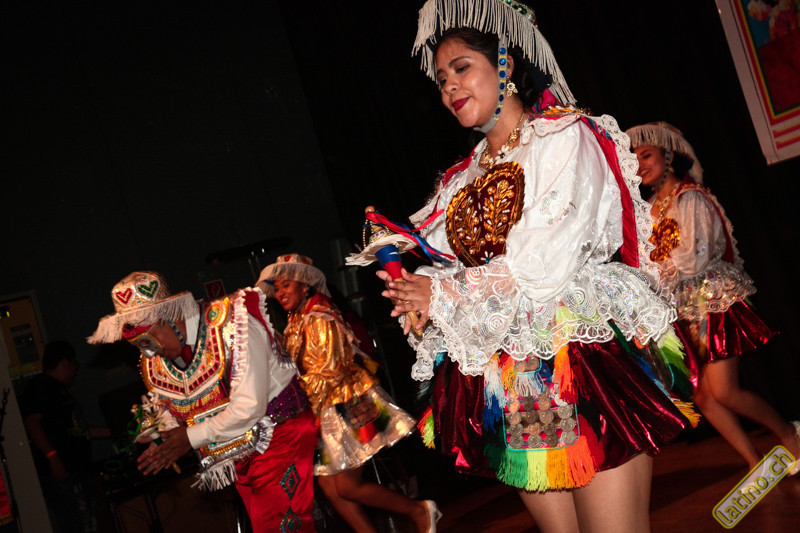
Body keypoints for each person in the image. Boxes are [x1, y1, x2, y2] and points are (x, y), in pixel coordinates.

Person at [376, 2, 697, 532]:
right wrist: (417, 293)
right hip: (517, 380)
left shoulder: (562, 137)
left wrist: (446, 295)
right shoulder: (459, 180)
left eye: (462, 68)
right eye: (440, 78)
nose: (449, 86)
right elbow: (447, 263)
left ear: (504, 62)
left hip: (581, 359)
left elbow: (544, 258)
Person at [626, 121, 800, 472]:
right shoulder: (649, 209)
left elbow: (696, 256)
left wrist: (660, 269)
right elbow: (647, 263)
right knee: (704, 398)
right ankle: (755, 464)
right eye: (635, 158)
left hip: (713, 303)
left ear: (668, 156)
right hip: (686, 309)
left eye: (647, 155)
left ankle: (790, 434)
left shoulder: (689, 197)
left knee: (723, 392)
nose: (640, 164)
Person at [87, 271, 317, 532]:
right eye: (139, 345)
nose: (149, 353)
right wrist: (161, 435)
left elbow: (249, 407)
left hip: (280, 434)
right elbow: (175, 406)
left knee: (281, 527)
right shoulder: (159, 358)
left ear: (168, 317)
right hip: (238, 448)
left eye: (148, 340)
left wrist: (188, 438)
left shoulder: (234, 325)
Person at [257, 253, 440, 533]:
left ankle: (418, 510)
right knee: (331, 487)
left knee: (345, 486)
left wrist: (292, 399)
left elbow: (328, 372)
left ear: (304, 286)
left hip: (346, 406)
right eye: (277, 287)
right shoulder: (296, 321)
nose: (280, 292)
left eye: (286, 285)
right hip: (326, 410)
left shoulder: (320, 316)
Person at [20, 340, 110, 533]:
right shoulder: (40, 387)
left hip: (77, 472)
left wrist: (112, 431)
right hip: (65, 476)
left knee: (88, 522)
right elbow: (32, 423)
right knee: (78, 524)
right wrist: (52, 457)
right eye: (74, 364)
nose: (75, 371)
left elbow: (77, 429)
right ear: (64, 363)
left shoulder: (59, 391)